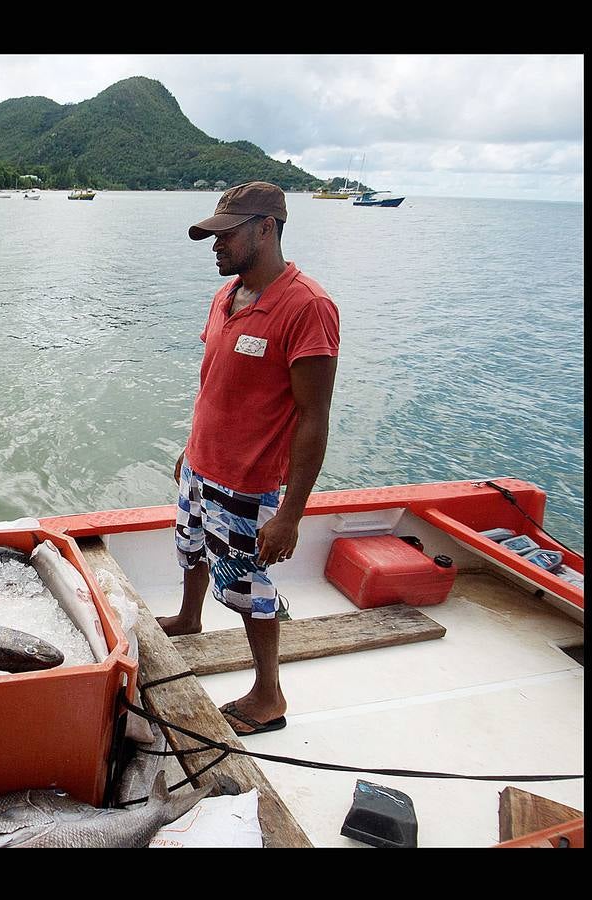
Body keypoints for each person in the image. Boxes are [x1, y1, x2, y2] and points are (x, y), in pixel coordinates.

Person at [157, 182, 339, 738]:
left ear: (267, 228)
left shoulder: (308, 307)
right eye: (213, 235)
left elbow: (313, 418)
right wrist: (191, 450)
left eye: (225, 235)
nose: (215, 246)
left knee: (247, 585)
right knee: (189, 545)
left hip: (250, 482)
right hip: (201, 466)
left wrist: (290, 515)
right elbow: (217, 383)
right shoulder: (226, 296)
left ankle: (268, 694)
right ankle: (190, 618)